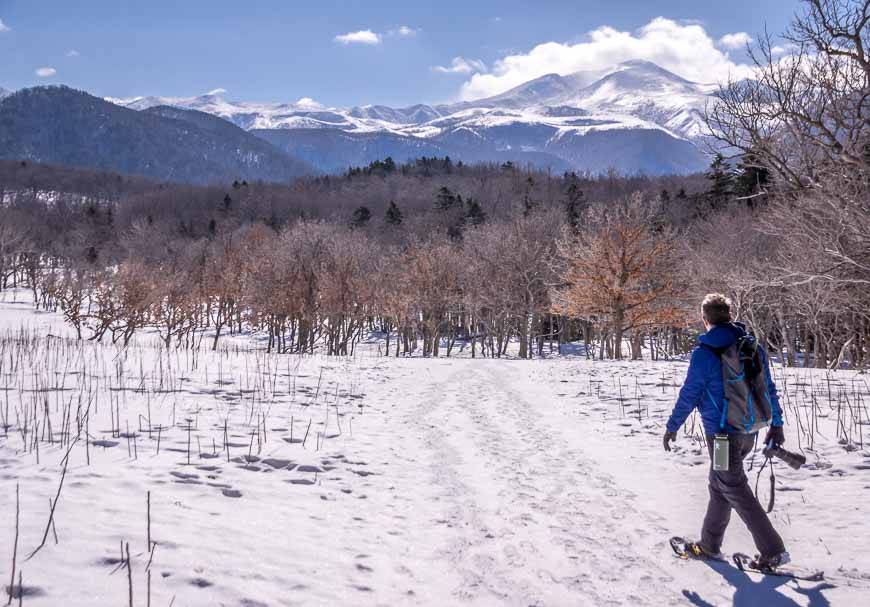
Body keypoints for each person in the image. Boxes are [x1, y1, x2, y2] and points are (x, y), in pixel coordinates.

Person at [663, 293, 788, 567]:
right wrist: (776, 424)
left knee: (733, 486)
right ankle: (709, 545)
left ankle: (773, 550)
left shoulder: (704, 353)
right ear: (730, 316)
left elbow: (690, 394)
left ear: (704, 319)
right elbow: (768, 388)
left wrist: (673, 426)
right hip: (748, 431)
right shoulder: (751, 346)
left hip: (722, 437)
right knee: (719, 484)